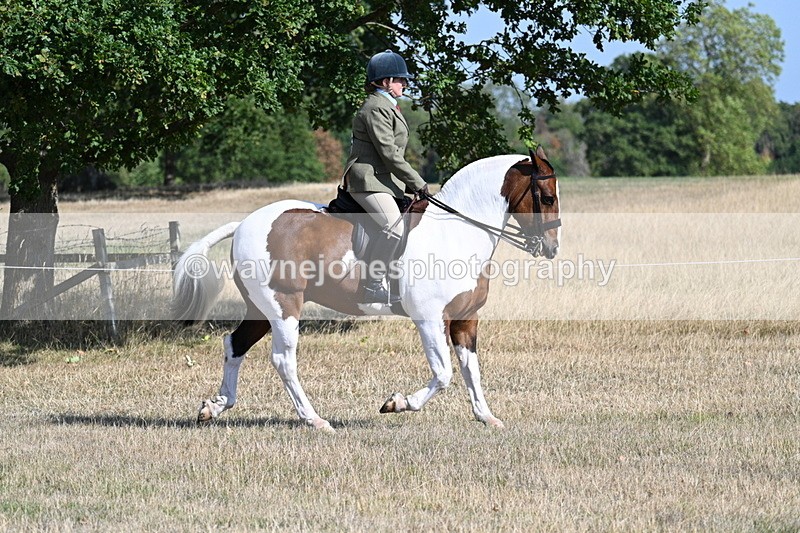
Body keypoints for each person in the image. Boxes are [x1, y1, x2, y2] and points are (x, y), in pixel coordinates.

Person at [342, 50, 429, 305]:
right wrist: (418, 183)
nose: (405, 84)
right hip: (366, 180)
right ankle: (372, 285)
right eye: (400, 80)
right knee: (393, 227)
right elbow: (389, 153)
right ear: (384, 82)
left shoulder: (388, 106)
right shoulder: (375, 108)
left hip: (383, 181)